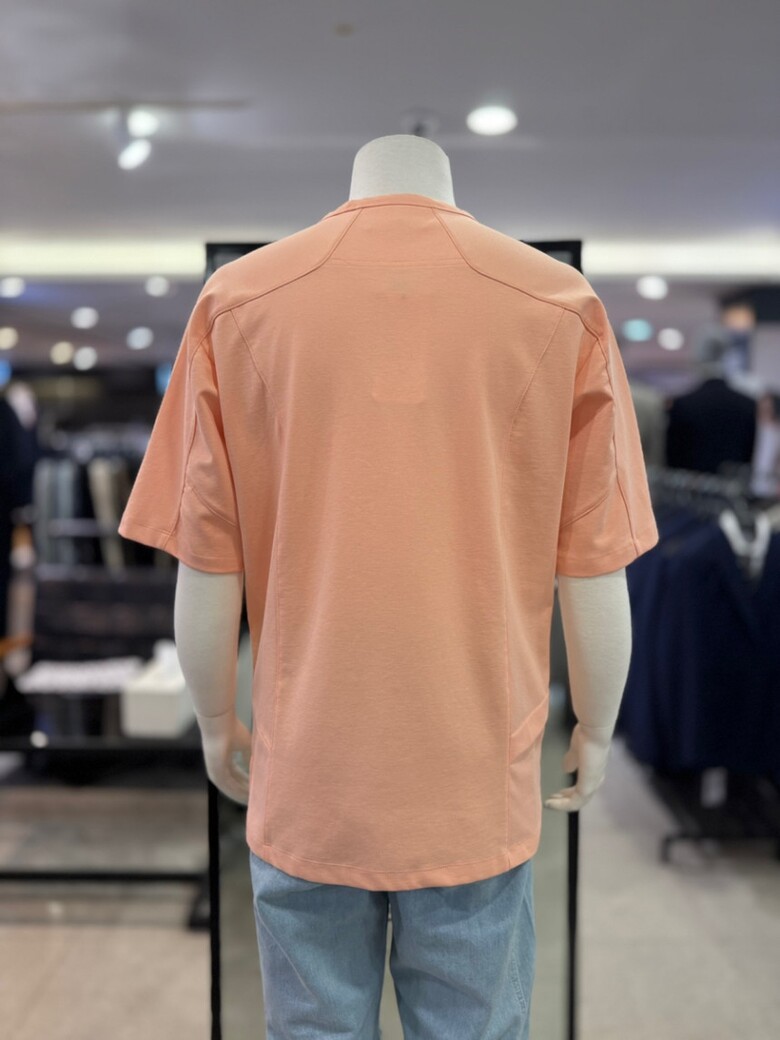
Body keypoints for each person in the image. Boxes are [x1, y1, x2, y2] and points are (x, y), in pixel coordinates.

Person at [118, 134, 658, 1039]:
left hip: (307, 771)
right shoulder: (559, 304)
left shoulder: (239, 301)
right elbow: (594, 561)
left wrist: (215, 718)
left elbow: (207, 560)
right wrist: (597, 723)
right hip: (475, 773)